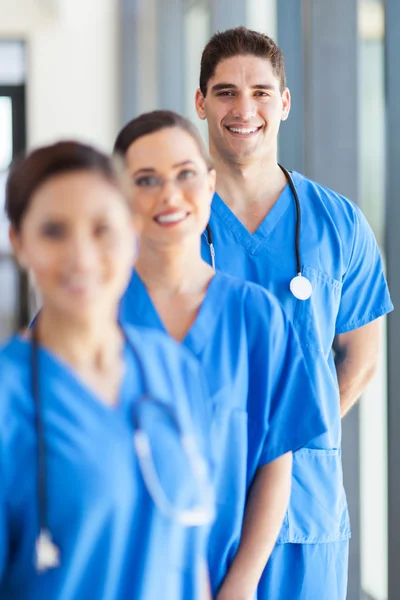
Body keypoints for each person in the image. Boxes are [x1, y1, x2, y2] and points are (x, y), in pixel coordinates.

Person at [194, 26, 394, 600]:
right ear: (201, 101)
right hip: (204, 492)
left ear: (283, 101)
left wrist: (293, 431)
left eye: (260, 91)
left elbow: (360, 355)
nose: (244, 108)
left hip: (307, 505)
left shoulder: (340, 225)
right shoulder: (173, 220)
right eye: (226, 91)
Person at [114, 110, 328, 600]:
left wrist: (241, 583)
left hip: (220, 583)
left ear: (209, 183)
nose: (169, 194)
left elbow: (276, 461)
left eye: (185, 174)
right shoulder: (89, 317)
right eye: (145, 180)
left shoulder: (255, 317)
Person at [0, 141, 215, 600]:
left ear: (133, 230)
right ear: (19, 243)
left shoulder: (173, 370)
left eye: (103, 229)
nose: (82, 255)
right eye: (54, 231)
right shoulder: (9, 397)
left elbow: (187, 553)